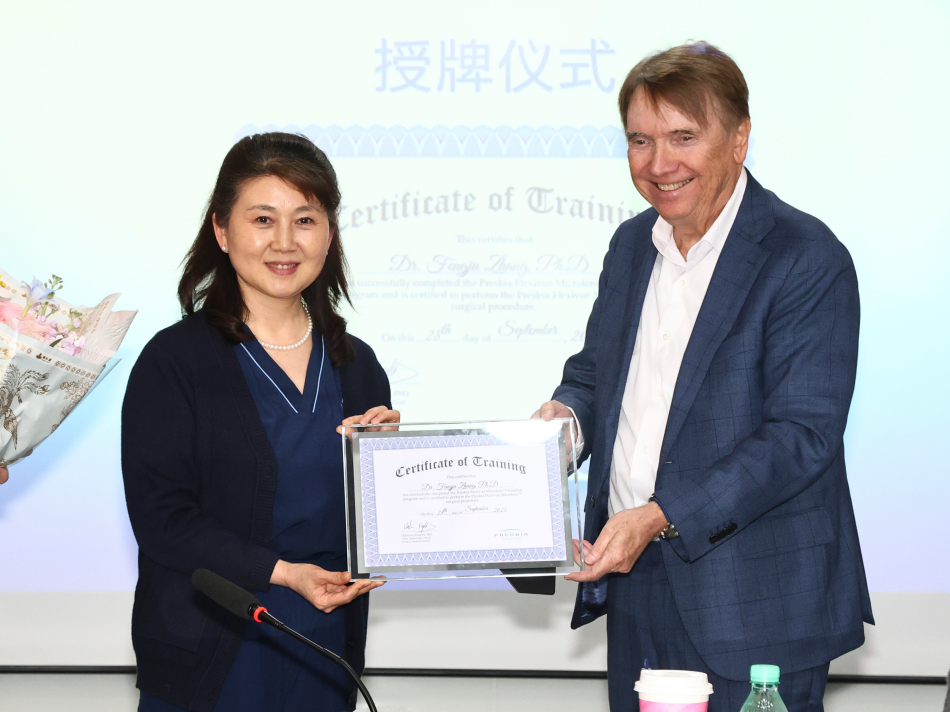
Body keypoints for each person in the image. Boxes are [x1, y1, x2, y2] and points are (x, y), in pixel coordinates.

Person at [535, 43, 873, 712]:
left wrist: (660, 515)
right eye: (640, 140)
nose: (659, 163)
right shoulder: (631, 245)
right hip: (637, 587)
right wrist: (564, 423)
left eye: (683, 137)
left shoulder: (805, 256)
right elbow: (597, 376)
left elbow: (800, 435)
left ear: (739, 138)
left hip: (758, 605)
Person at [122, 132, 397, 712]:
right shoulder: (174, 361)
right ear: (222, 231)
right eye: (263, 219)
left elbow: (370, 525)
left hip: (323, 646)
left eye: (305, 220)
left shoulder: (358, 365)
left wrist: (393, 469)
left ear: (329, 234)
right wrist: (283, 573)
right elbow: (163, 520)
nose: (285, 241)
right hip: (212, 648)